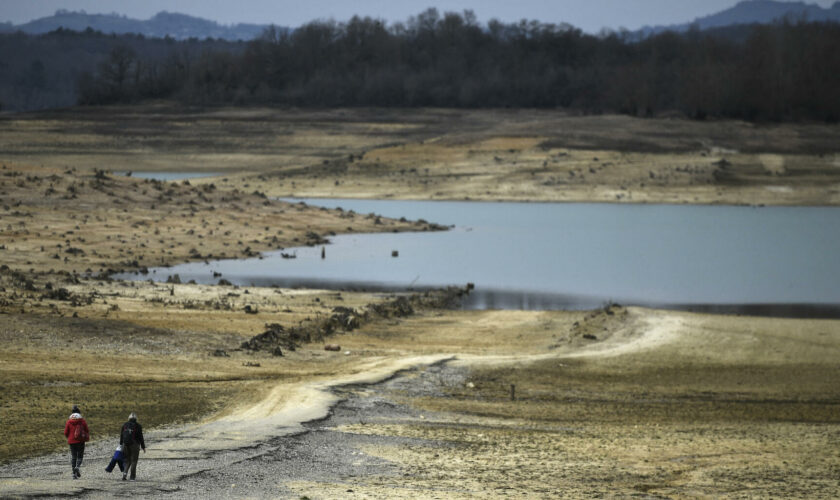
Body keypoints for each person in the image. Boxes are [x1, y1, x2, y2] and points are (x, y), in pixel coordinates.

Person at [63, 405, 90, 479]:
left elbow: (65, 432)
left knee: (74, 457)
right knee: (80, 456)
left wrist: (69, 437)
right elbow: (87, 430)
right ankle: (77, 467)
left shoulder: (69, 421)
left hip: (72, 442)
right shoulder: (82, 421)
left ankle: (74, 474)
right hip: (80, 441)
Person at [120, 412, 146, 481]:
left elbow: (121, 436)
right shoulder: (138, 426)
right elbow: (141, 437)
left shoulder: (124, 425)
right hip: (134, 445)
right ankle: (132, 477)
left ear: (129, 418)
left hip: (125, 444)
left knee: (127, 460)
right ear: (136, 419)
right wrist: (143, 447)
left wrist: (121, 445)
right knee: (134, 460)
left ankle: (124, 475)